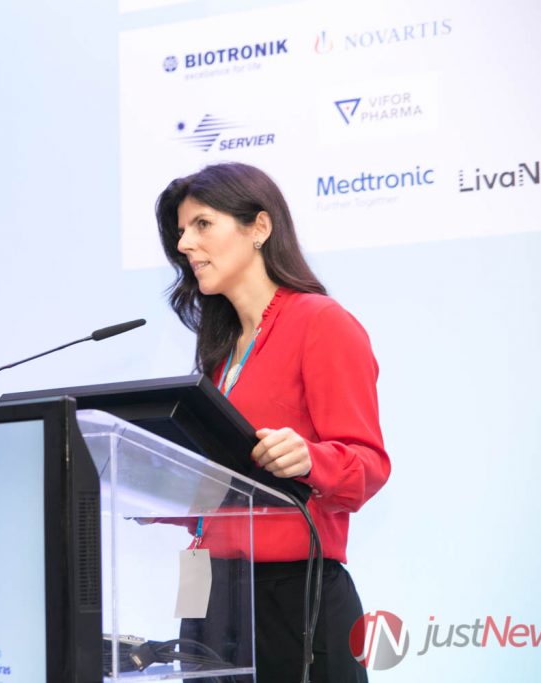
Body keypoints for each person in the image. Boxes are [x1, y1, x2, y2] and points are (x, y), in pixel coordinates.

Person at [154, 162, 390, 682]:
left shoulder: (321, 322)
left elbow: (368, 466)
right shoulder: (219, 352)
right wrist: (159, 485)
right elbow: (225, 480)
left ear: (259, 227)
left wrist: (310, 457)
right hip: (210, 595)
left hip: (291, 597)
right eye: (181, 232)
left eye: (202, 224)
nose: (185, 245)